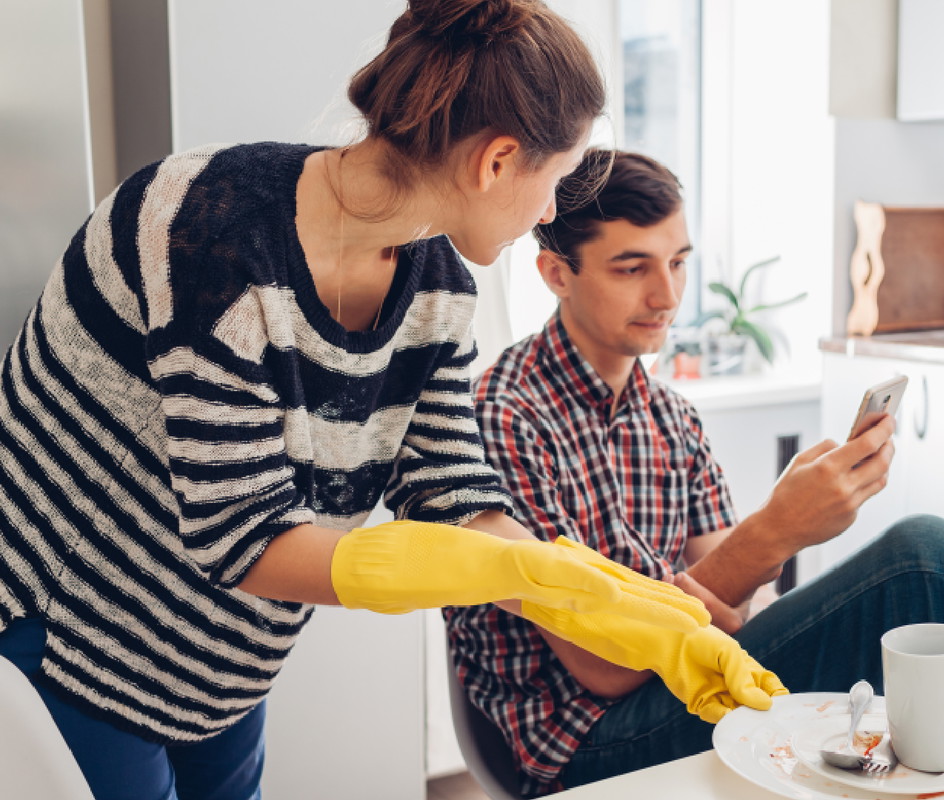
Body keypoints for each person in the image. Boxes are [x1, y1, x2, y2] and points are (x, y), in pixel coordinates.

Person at [0, 6, 786, 799]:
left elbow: (455, 499)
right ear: (498, 161)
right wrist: (514, 571)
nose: (550, 212)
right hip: (71, 635)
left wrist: (629, 611)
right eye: (556, 180)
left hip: (223, 659)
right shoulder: (207, 232)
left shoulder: (438, 288)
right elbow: (242, 538)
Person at [445, 148, 944, 795]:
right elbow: (607, 666)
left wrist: (765, 544)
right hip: (588, 741)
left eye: (678, 262)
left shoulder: (668, 415)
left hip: (698, 675)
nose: (667, 295)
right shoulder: (505, 414)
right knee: (923, 564)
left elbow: (736, 608)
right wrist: (777, 531)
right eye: (631, 267)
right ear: (556, 273)